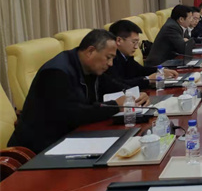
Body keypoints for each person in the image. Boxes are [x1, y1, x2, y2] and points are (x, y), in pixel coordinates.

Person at [8, 30, 149, 153]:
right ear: (90, 51)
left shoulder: (89, 67)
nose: (111, 64)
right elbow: (75, 114)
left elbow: (113, 84)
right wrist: (116, 105)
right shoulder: (57, 72)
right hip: (39, 149)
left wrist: (134, 95)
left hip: (71, 138)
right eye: (108, 57)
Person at [106, 20, 178, 89]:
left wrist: (160, 70)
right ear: (119, 40)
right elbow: (120, 84)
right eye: (134, 42)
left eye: (137, 43)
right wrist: (148, 79)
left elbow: (140, 70)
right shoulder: (110, 59)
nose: (136, 47)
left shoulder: (125, 56)